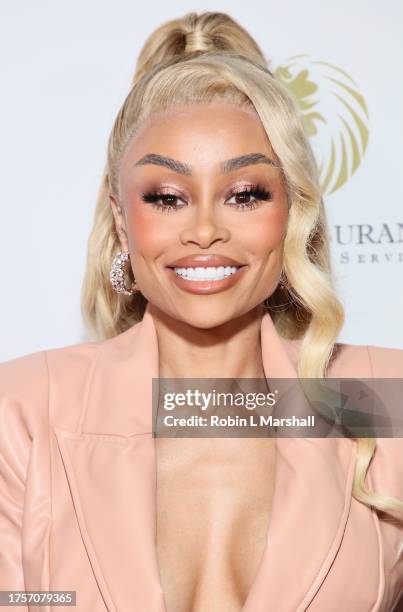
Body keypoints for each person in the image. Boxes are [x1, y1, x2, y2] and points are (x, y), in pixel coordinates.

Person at [1, 11, 403, 612]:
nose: (206, 230)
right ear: (121, 218)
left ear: (293, 213)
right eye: (167, 197)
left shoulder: (382, 402)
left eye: (245, 194)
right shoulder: (27, 411)